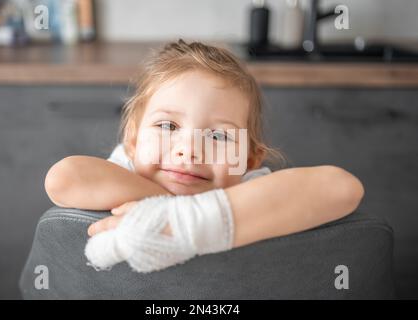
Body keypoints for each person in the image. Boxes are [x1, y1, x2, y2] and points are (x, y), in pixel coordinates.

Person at [44, 39, 365, 273]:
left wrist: (180, 218)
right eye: (168, 125)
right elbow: (63, 179)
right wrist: (171, 205)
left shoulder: (248, 184)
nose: (189, 150)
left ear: (251, 159)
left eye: (218, 135)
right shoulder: (127, 169)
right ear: (132, 140)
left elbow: (344, 188)